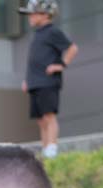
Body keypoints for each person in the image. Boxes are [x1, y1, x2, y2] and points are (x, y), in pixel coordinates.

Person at [19, 0, 77, 159]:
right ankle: (45, 149)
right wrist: (28, 80)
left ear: (45, 14)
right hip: (35, 82)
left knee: (48, 116)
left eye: (32, 13)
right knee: (40, 119)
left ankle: (52, 148)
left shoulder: (53, 32)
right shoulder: (37, 34)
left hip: (48, 82)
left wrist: (61, 65)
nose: (29, 17)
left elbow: (72, 48)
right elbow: (34, 60)